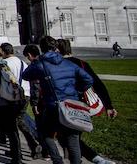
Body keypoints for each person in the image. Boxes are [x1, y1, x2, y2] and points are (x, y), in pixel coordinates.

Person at [22, 36, 93, 164]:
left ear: (41, 48)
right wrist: (77, 91)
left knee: (45, 135)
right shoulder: (68, 63)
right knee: (73, 139)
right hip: (71, 105)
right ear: (55, 48)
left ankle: (57, 160)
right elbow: (88, 79)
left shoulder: (40, 64)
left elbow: (25, 75)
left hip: (53, 106)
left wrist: (37, 62)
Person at [57, 39, 118, 164]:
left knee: (68, 138)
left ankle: (97, 159)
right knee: (73, 136)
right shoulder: (82, 63)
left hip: (67, 105)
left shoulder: (59, 65)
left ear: (57, 50)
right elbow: (98, 85)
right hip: (84, 105)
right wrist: (109, 106)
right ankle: (83, 159)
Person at [1, 43, 41, 159]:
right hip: (26, 94)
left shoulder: (5, 64)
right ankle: (33, 146)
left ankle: (17, 150)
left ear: (3, 52)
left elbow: (4, 80)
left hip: (13, 97)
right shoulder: (22, 62)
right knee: (20, 120)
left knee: (11, 125)